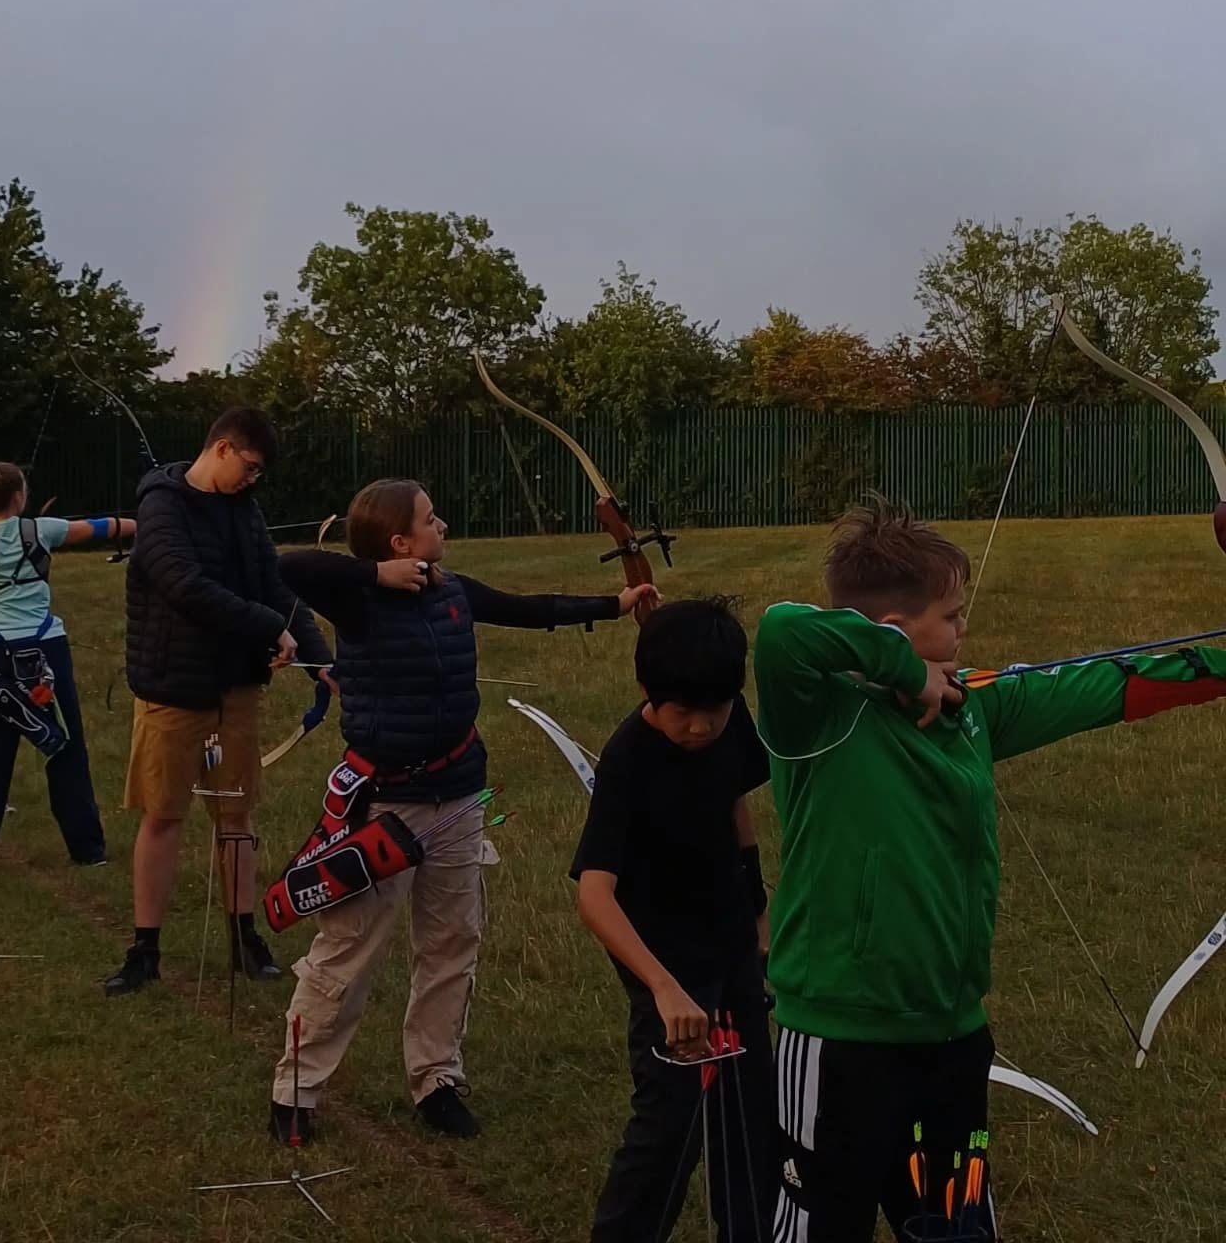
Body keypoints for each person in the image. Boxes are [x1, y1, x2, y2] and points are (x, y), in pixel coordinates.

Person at [753, 497, 1226, 1242]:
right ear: (893, 632)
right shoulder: (816, 711)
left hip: (952, 1033)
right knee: (817, 1227)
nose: (964, 628)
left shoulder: (970, 707)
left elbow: (1101, 684)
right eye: (952, 614)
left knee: (959, 1224)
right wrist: (906, 674)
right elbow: (784, 628)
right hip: (842, 1039)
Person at [268, 478, 656, 1143]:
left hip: (458, 793)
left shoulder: (450, 589)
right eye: (429, 518)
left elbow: (527, 608)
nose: (441, 524)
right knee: (347, 953)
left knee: (452, 943)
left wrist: (615, 603)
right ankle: (295, 1094)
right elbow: (287, 566)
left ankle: (436, 1080)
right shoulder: (357, 597)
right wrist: (374, 573)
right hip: (385, 805)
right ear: (399, 542)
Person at [104, 406, 333, 997]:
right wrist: (264, 627)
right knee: (164, 814)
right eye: (250, 467)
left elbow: (274, 584)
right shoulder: (161, 507)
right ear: (224, 448)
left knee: (235, 817)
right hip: (174, 690)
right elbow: (184, 586)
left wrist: (319, 657)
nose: (253, 480)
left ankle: (244, 938)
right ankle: (144, 949)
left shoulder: (245, 510)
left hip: (235, 687)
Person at [573, 597, 776, 1242]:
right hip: (663, 959)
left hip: (731, 939)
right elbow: (595, 895)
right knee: (670, 1124)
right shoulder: (628, 763)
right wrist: (662, 988)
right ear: (646, 693)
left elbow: (734, 802)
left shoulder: (728, 716)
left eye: (713, 711)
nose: (699, 727)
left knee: (750, 1117)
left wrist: (758, 904)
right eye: (683, 712)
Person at [0, 462, 127, 874]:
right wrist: (143, 523)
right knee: (67, 745)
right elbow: (99, 527)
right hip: (47, 648)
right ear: (20, 497)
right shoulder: (42, 530)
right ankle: (88, 849)